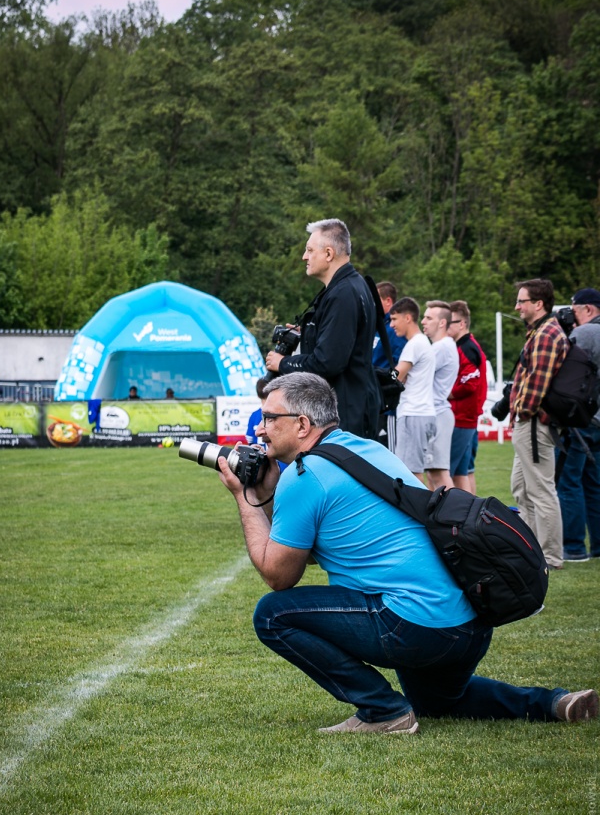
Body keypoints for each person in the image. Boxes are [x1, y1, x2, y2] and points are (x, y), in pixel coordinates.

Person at [217, 372, 598, 733]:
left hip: (414, 628)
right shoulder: (365, 449)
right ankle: (553, 703)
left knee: (272, 614)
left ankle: (383, 711)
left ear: (302, 424)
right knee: (439, 701)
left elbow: (278, 575)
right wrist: (268, 496)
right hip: (467, 626)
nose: (259, 428)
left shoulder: (305, 475)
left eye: (269, 417)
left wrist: (245, 497)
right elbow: (305, 552)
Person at [264, 218, 381, 439]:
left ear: (328, 254)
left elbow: (328, 362)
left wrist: (283, 363)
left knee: (339, 473)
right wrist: (307, 334)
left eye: (309, 250)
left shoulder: (343, 294)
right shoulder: (350, 286)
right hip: (350, 406)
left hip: (344, 414)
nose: (304, 257)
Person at [510, 278, 569, 571]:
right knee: (521, 488)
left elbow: (536, 384)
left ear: (538, 304)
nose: (517, 306)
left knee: (541, 491)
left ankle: (550, 557)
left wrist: (520, 410)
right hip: (529, 425)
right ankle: (532, 550)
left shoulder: (546, 333)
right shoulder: (540, 330)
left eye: (522, 301)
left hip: (533, 425)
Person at [557, 287, 600, 561]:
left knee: (568, 482)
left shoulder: (585, 333)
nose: (571, 315)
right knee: (594, 484)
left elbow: (562, 366)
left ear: (588, 309)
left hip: (581, 419)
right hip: (599, 421)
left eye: (573, 309)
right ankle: (597, 545)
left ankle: (573, 547)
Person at [389, 296, 435, 483]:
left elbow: (397, 377)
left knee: (410, 475)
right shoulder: (422, 342)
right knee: (412, 472)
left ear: (407, 318)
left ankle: (415, 513)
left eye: (394, 319)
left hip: (413, 413)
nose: (391, 325)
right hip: (421, 413)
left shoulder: (415, 344)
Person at [447, 301, 488, 494]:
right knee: (462, 473)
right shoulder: (466, 346)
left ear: (462, 324)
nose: (446, 326)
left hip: (462, 418)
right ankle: (470, 519)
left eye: (450, 322)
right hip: (466, 418)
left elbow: (470, 383)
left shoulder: (467, 348)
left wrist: (447, 393)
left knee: (446, 472)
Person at [421, 300, 459, 490]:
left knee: (439, 474)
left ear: (442, 323)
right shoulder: (442, 346)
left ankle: (455, 518)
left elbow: (414, 373)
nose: (423, 321)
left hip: (438, 414)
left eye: (428, 317)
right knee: (433, 474)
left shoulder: (441, 347)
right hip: (437, 414)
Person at [372, 281, 406, 451]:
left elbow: (400, 369)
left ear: (388, 301)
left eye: (375, 298)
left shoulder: (395, 331)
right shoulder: (376, 327)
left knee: (389, 454)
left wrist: (386, 381)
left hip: (387, 406)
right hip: (372, 402)